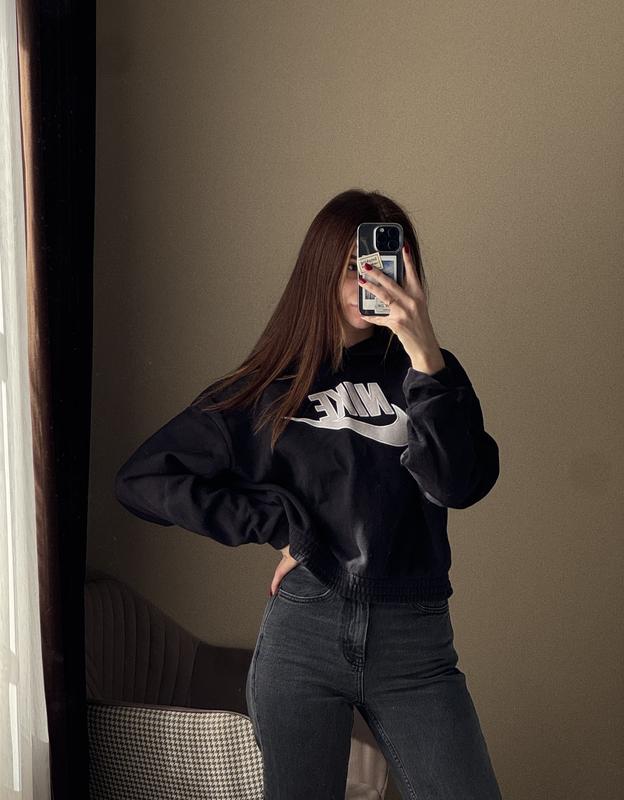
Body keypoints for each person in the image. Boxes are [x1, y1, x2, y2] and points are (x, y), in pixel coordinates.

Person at [114, 189, 503, 799]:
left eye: (384, 264)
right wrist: (280, 523)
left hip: (415, 642)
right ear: (320, 270)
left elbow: (457, 484)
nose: (368, 281)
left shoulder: (431, 374)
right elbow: (142, 480)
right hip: (305, 634)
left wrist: (425, 352)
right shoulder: (271, 387)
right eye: (351, 266)